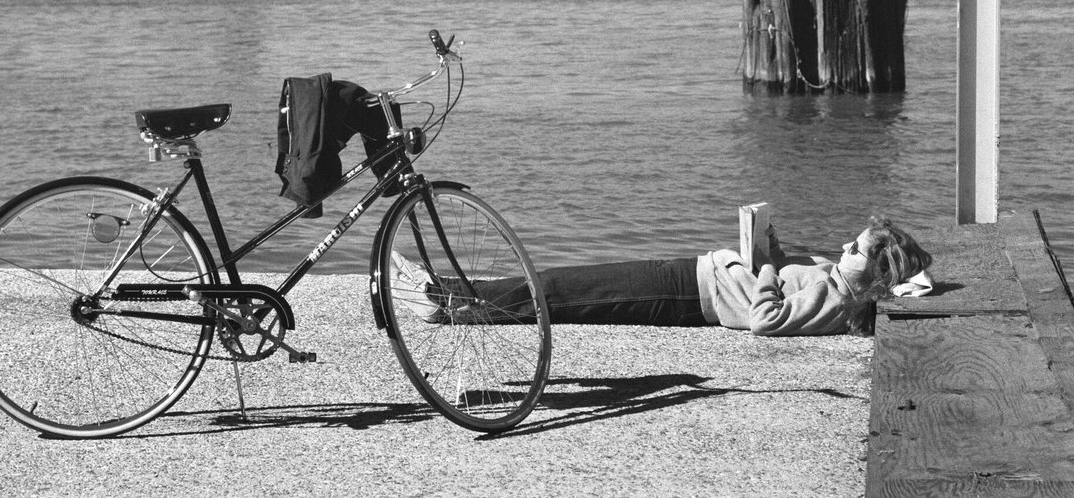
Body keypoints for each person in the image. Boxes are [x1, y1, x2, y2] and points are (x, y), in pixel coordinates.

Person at [390, 215, 933, 336]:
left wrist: (766, 266)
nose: (846, 246)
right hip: (689, 278)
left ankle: (444, 301)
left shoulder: (835, 296)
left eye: (857, 249)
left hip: (685, 294)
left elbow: (767, 319)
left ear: (876, 274)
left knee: (561, 292)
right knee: (562, 286)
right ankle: (451, 298)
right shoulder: (835, 276)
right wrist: (773, 247)